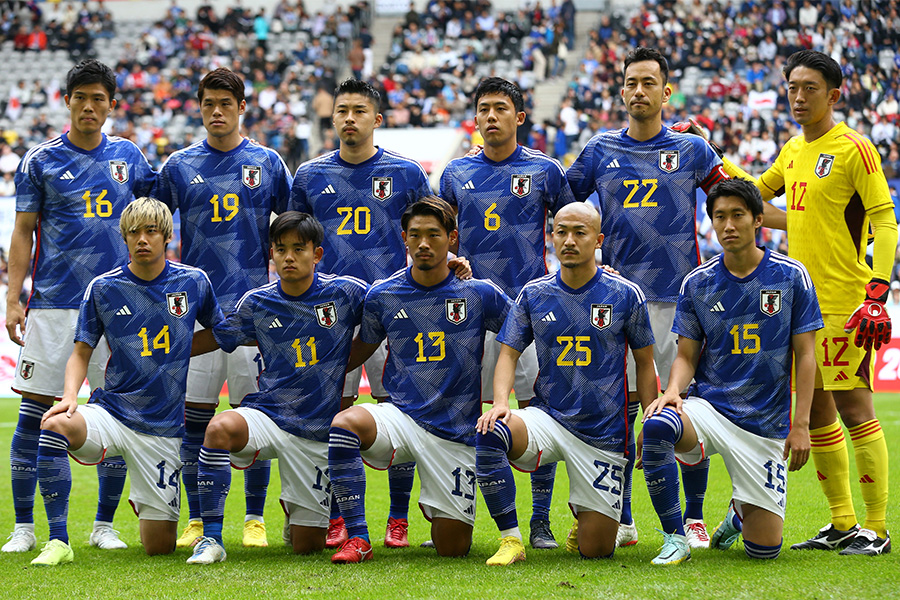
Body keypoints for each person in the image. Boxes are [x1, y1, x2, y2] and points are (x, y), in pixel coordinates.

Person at [719, 50, 897, 555]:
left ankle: (878, 529)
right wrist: (710, 155)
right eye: (792, 87)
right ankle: (842, 522)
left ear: (834, 94)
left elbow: (885, 221)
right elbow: (758, 197)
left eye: (810, 88)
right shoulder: (795, 149)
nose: (798, 97)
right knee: (817, 411)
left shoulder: (854, 149)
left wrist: (877, 294)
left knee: (855, 405)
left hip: (844, 300)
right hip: (801, 302)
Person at [565, 47, 730, 549]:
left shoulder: (692, 150)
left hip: (678, 300)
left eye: (648, 83)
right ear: (621, 91)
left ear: (666, 91)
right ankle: (623, 516)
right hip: (612, 301)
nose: (639, 90)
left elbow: (732, 197)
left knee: (681, 406)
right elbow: (563, 204)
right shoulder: (598, 149)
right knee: (620, 411)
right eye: (631, 82)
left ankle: (695, 517)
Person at [3, 59, 155, 554]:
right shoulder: (40, 160)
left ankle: (103, 526)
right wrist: (13, 299)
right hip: (54, 306)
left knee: (114, 416)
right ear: (66, 101)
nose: (89, 106)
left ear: (112, 105)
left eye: (99, 98)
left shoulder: (131, 158)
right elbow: (23, 232)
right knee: (34, 415)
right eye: (80, 97)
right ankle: (24, 526)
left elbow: (153, 222)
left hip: (120, 308)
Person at [29, 197, 222, 566]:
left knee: (159, 547)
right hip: (113, 413)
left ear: (166, 235)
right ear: (125, 238)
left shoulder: (194, 281)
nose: (142, 239)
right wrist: (70, 396)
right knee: (54, 425)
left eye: (151, 231)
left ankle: (146, 501)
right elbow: (81, 351)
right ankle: (58, 540)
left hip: (163, 428)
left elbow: (220, 332)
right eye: (134, 232)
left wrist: (179, 350)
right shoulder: (103, 288)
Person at [641, 179, 821, 565]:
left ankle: (738, 514)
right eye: (720, 217)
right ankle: (677, 537)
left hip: (765, 425)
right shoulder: (698, 282)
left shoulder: (791, 276)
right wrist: (673, 389)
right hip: (710, 408)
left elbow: (806, 355)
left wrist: (801, 424)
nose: (728, 225)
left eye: (738, 215)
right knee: (657, 425)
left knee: (765, 551)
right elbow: (686, 355)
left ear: (758, 220)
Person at [153, 67, 293, 550]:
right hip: (196, 315)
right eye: (209, 103)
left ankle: (254, 518)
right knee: (194, 420)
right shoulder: (176, 167)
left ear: (241, 108)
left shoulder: (268, 162)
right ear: (199, 106)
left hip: (253, 317)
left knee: (252, 419)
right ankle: (198, 516)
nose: (217, 112)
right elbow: (149, 226)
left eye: (226, 104)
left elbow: (293, 229)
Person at [327, 196, 511, 563]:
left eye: (434, 235)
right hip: (401, 417)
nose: (424, 243)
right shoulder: (383, 294)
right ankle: (359, 536)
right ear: (404, 239)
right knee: (345, 425)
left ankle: (438, 512)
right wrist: (317, 371)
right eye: (416, 235)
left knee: (454, 549)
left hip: (455, 432)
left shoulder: (479, 293)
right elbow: (364, 346)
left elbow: (522, 328)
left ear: (452, 239)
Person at [290, 78, 433, 550]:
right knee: (333, 414)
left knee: (403, 410)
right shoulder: (309, 176)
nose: (349, 118)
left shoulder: (407, 173)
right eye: (342, 110)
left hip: (397, 312)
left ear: (378, 118)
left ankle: (397, 517)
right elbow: (292, 238)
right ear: (332, 118)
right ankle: (338, 516)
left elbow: (430, 231)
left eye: (359, 110)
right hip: (329, 313)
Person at [475, 202, 657, 565]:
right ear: (552, 237)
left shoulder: (624, 294)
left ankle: (587, 519)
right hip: (549, 419)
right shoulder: (534, 294)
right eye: (561, 232)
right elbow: (508, 353)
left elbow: (644, 361)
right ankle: (511, 539)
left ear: (598, 240)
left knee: (597, 550)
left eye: (580, 232)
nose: (569, 240)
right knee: (491, 432)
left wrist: (649, 420)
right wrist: (499, 403)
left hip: (603, 433)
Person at [184, 212, 367, 564]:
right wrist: (169, 346)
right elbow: (219, 336)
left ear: (317, 254)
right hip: (269, 415)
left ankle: (298, 515)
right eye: (280, 249)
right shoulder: (257, 302)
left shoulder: (345, 293)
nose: (288, 257)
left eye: (299, 248)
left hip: (316, 431)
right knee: (219, 427)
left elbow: (392, 302)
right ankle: (212, 538)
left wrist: (451, 270)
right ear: (271, 254)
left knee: (305, 546)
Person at [440, 76, 576, 549]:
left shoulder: (546, 170)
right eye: (483, 109)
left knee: (539, 416)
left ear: (519, 117)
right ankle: (468, 513)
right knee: (466, 415)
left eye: (501, 108)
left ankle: (540, 520)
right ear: (474, 118)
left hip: (533, 313)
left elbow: (570, 231)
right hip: (469, 316)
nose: (491, 116)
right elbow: (443, 240)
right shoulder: (455, 174)